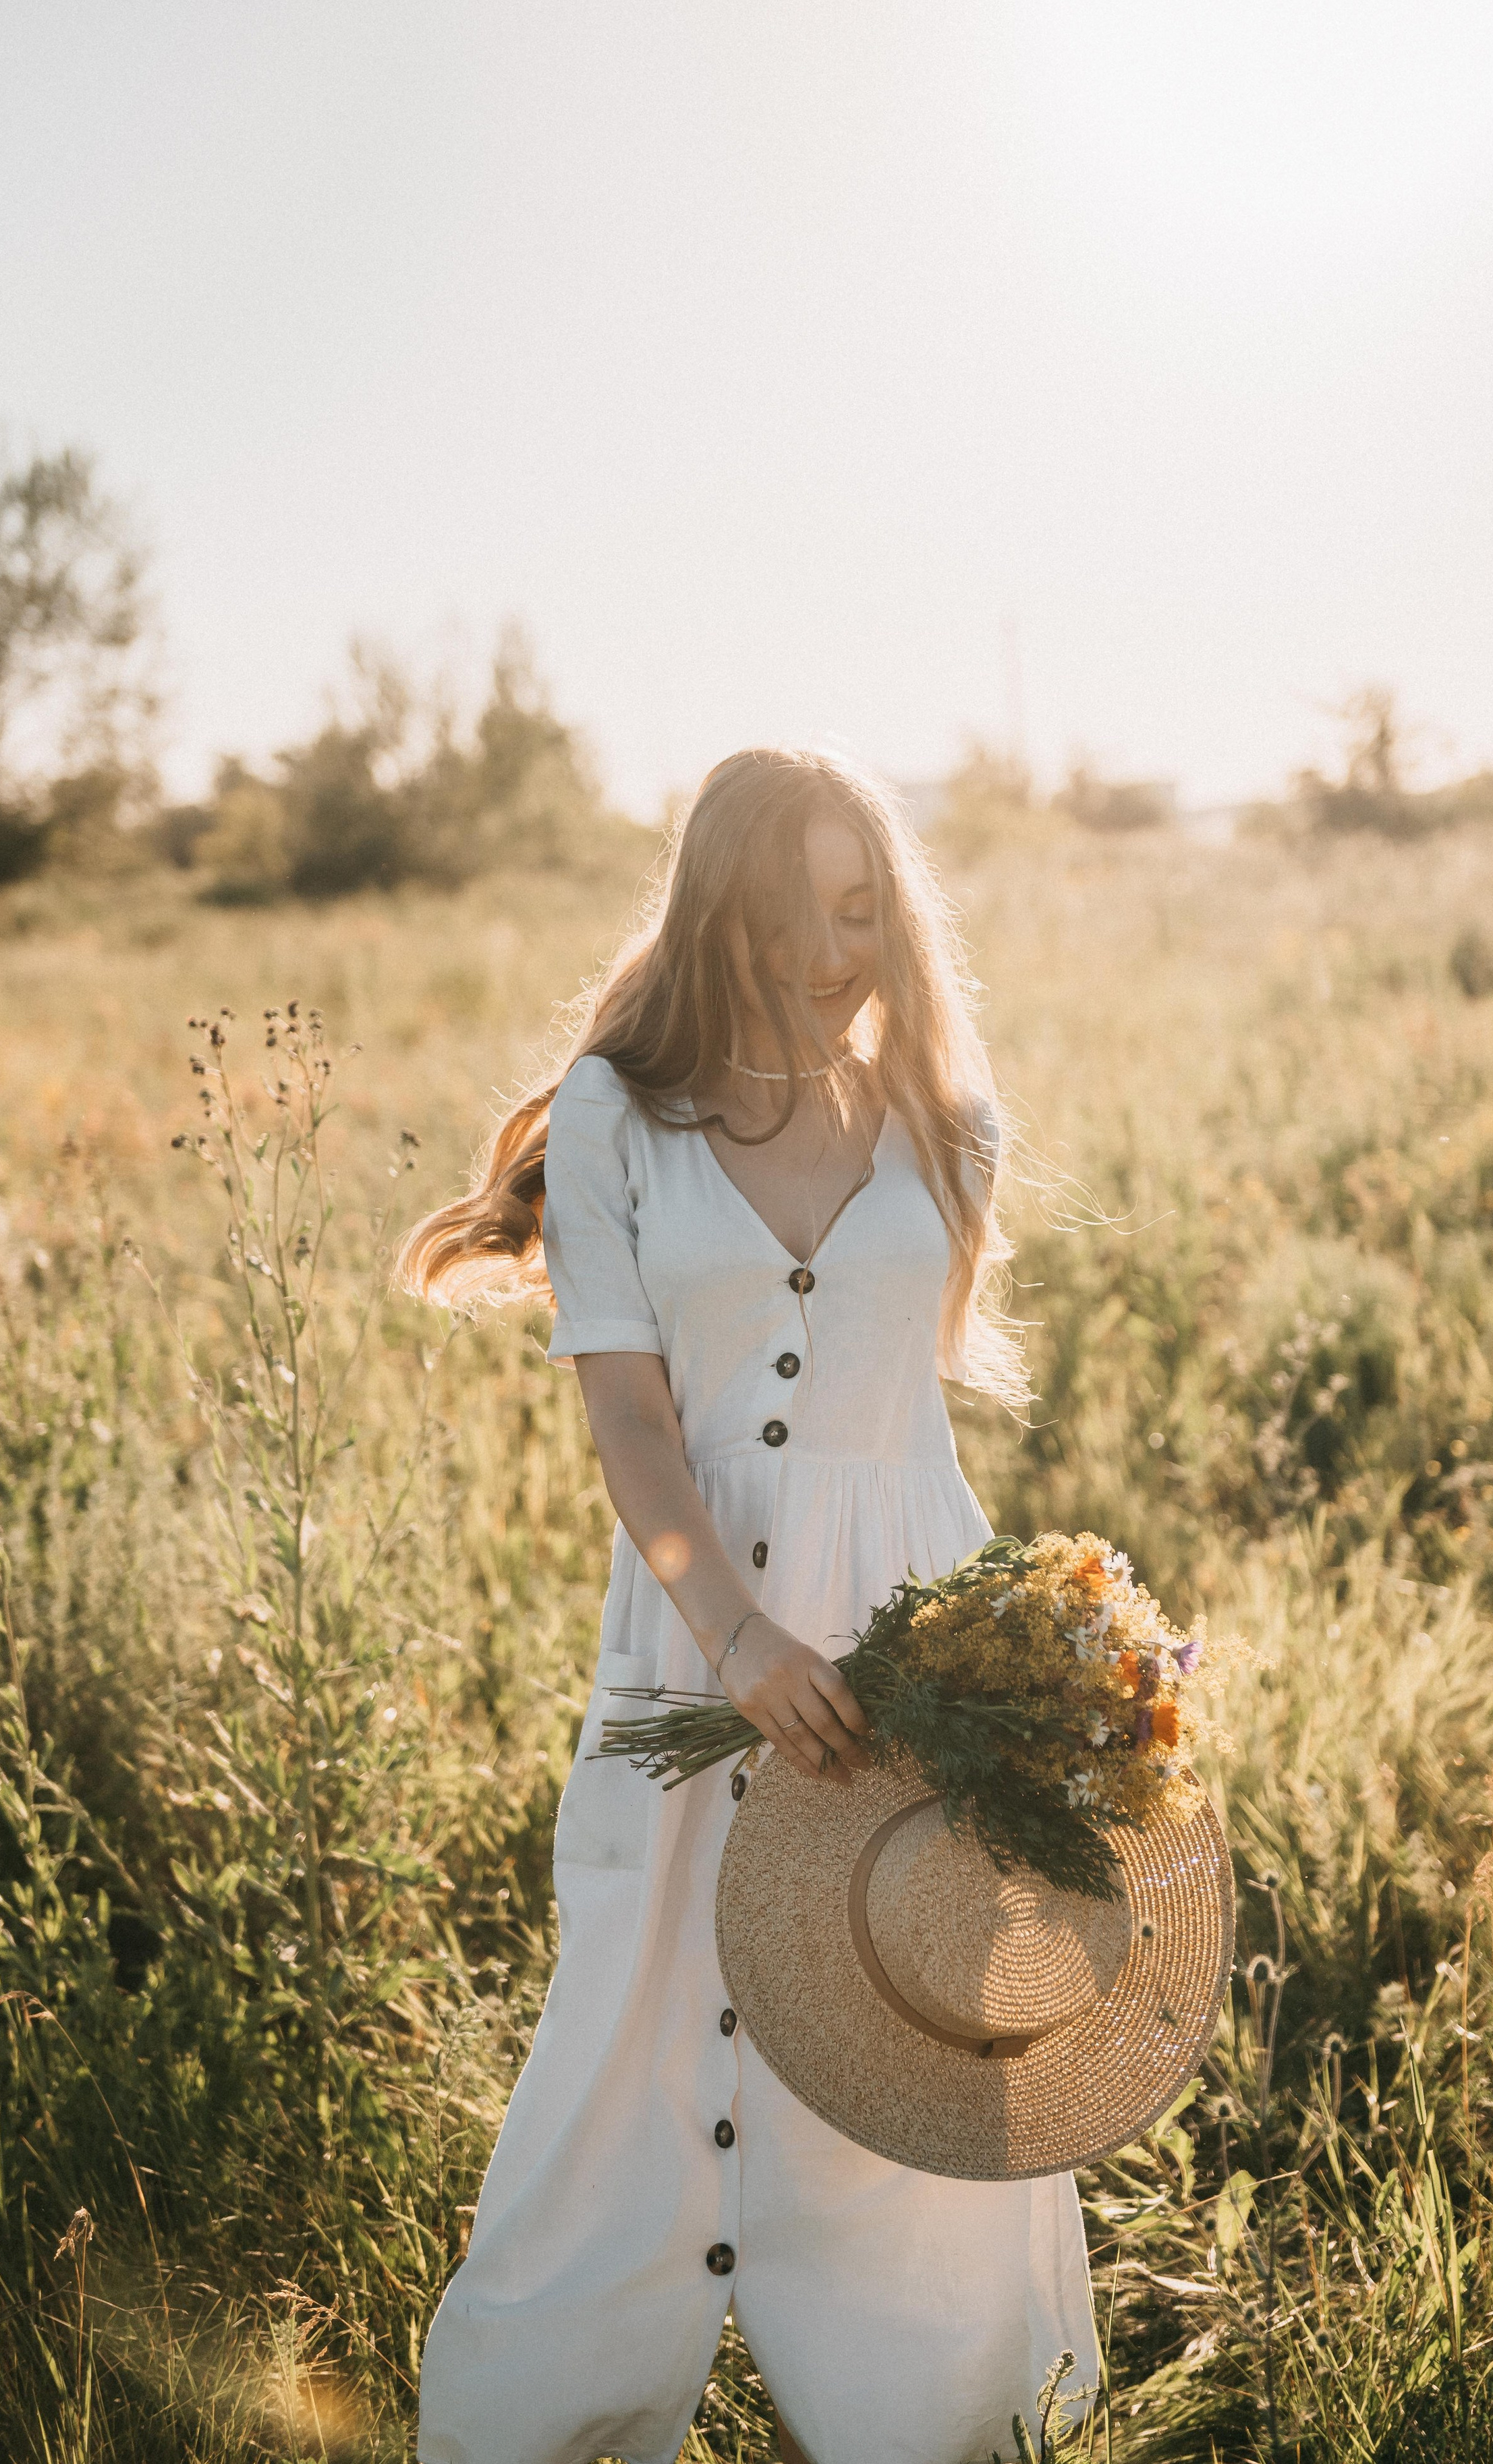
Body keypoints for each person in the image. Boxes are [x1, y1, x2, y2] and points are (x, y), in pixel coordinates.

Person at [402, 747, 1098, 2464]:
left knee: (902, 2018)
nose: (831, 948)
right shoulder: (613, 1118)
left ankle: (917, 2417)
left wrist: (995, 1666)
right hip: (691, 1647)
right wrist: (738, 1638)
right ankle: (555, 2414)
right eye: (792, 915)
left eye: (859, 907)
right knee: (632, 2027)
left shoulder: (947, 1126)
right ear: (720, 916)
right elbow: (636, 1429)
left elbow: (897, 1428)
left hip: (904, 1657)